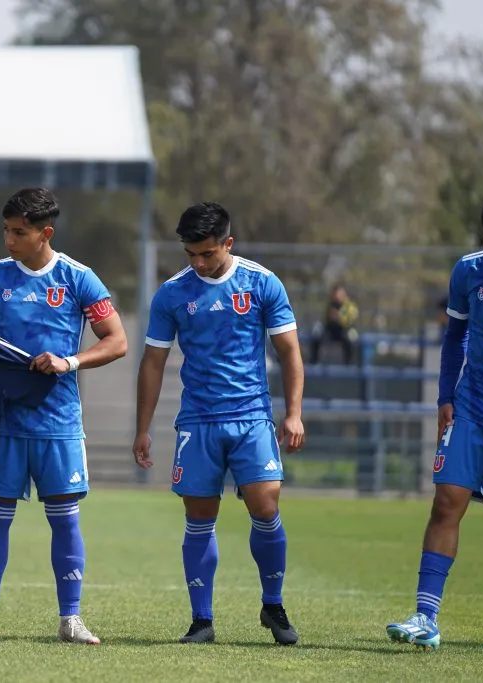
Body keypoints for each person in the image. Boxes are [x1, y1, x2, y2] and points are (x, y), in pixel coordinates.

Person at [0, 187, 128, 645]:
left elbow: (117, 341)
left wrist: (67, 361)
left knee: (65, 519)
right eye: (6, 231)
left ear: (45, 233)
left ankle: (70, 619)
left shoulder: (79, 278)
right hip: (5, 420)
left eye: (19, 232)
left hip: (58, 421)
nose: (9, 240)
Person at [133, 202, 305, 645]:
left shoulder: (262, 283)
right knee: (199, 517)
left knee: (265, 507)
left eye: (207, 253)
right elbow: (153, 362)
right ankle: (201, 620)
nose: (198, 263)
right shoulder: (172, 293)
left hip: (251, 416)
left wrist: (293, 412)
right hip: (198, 421)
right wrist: (143, 428)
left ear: (228, 243)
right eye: (190, 254)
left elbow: (288, 350)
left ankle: (273, 605)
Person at [386, 193, 483, 651]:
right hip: (473, 405)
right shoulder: (469, 271)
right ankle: (425, 617)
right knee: (447, 502)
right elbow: (455, 337)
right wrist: (444, 397)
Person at [308, 284, 358, 365]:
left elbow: (350, 320)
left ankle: (349, 364)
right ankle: (314, 361)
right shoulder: (331, 305)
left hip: (345, 330)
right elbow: (327, 319)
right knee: (317, 333)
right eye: (337, 294)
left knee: (350, 338)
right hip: (331, 329)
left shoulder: (349, 306)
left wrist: (339, 317)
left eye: (340, 294)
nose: (338, 296)